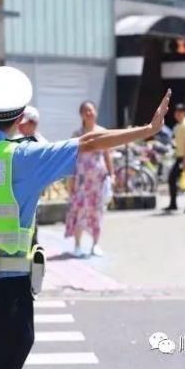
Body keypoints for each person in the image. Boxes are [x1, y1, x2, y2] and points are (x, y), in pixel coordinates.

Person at [0, 66, 171, 369]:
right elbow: (89, 142)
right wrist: (146, 130)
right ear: (21, 118)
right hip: (10, 291)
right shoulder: (24, 157)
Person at [65, 101, 115, 258]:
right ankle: (78, 245)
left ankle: (95, 244)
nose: (89, 113)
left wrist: (112, 174)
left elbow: (108, 155)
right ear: (81, 114)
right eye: (86, 111)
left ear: (96, 112)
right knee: (79, 210)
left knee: (97, 211)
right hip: (81, 178)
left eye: (91, 110)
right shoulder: (77, 134)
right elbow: (71, 158)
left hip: (98, 179)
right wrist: (70, 179)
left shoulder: (103, 132)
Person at [165, 104, 185, 213]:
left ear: (184, 113)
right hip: (180, 156)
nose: (177, 115)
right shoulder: (178, 126)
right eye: (176, 112)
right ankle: (173, 204)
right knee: (172, 179)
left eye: (180, 112)